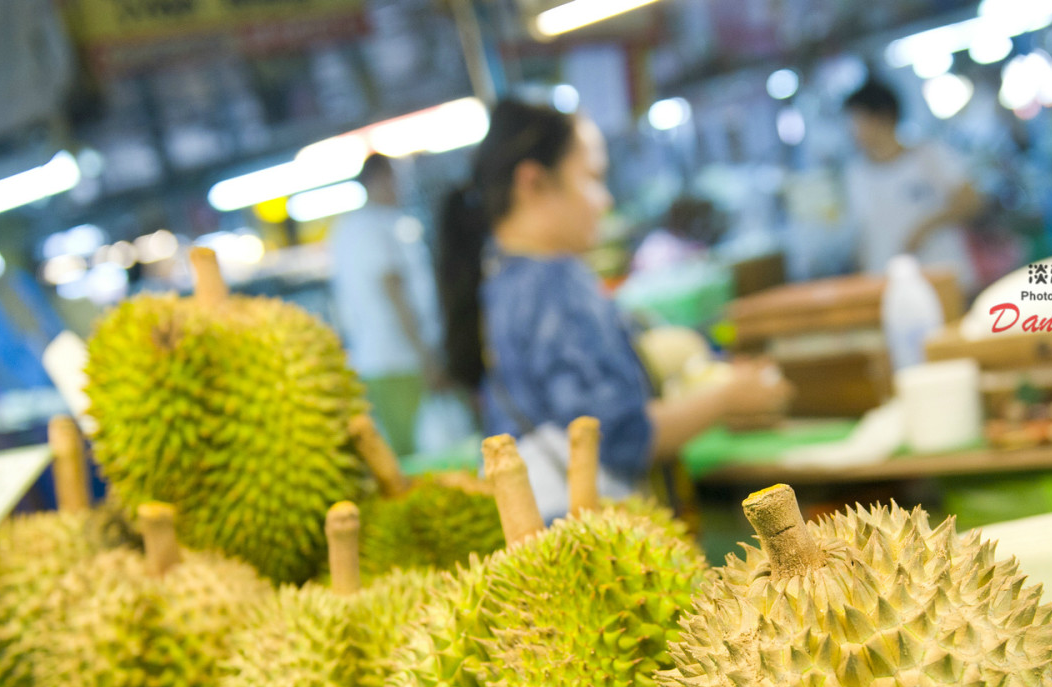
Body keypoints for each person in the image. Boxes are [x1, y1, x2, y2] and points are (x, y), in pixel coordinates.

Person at [437, 98, 792, 516]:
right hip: (596, 533)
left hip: (546, 532)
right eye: (593, 178)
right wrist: (729, 397)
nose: (604, 201)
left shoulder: (499, 278)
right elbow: (621, 438)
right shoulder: (554, 282)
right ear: (534, 183)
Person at [329, 153, 441, 456]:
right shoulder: (372, 228)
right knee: (419, 455)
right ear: (378, 180)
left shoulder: (353, 227)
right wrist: (425, 355)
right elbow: (394, 292)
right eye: (395, 180)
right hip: (398, 358)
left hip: (383, 360)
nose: (400, 189)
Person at [843, 77, 981, 287]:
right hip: (888, 285)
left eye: (856, 120)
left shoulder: (929, 155)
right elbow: (863, 237)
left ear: (882, 117)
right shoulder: (856, 174)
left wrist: (926, 226)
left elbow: (972, 202)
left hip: (943, 277)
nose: (851, 130)